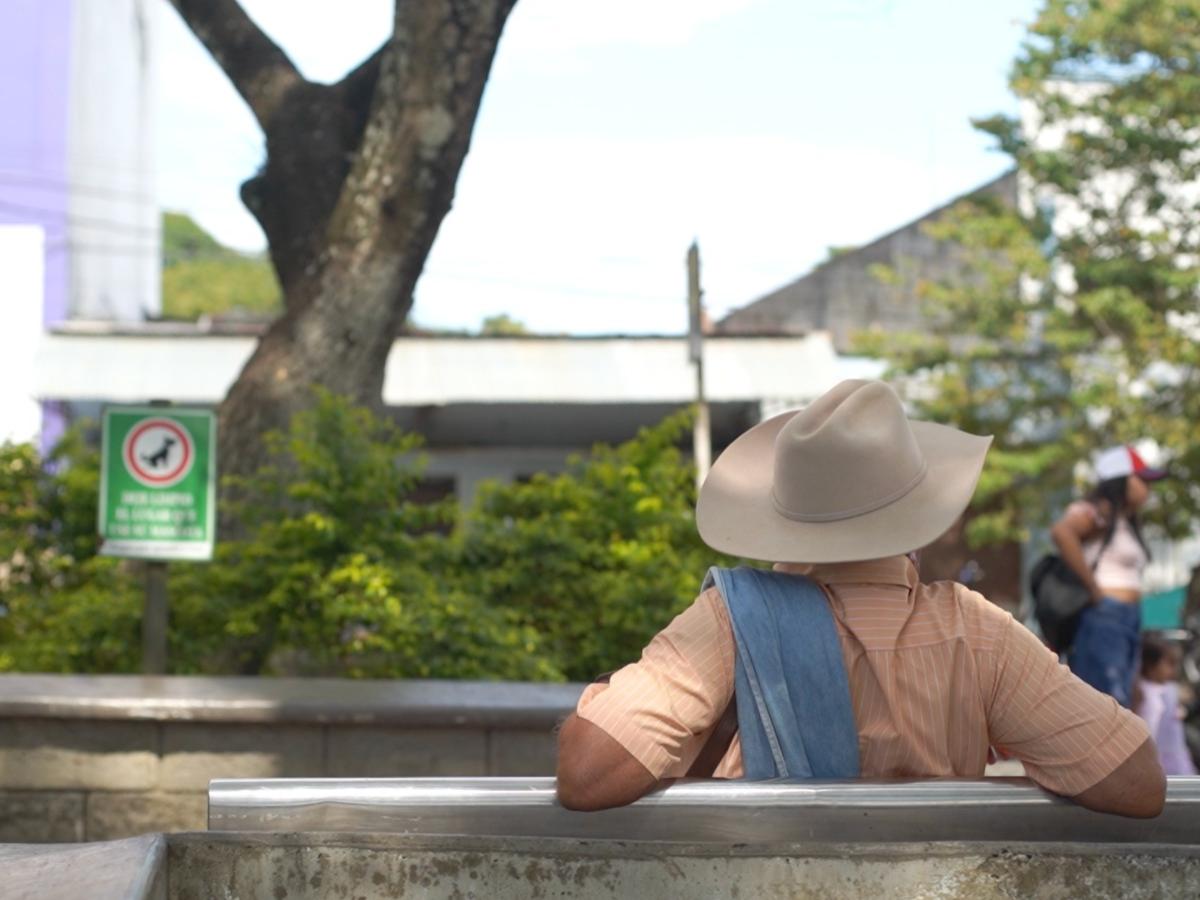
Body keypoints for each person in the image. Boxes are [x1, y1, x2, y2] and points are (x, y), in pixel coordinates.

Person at [557, 380, 1165, 818]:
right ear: (917, 518)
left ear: (783, 522)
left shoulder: (736, 619)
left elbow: (587, 774)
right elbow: (1138, 783)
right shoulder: (977, 633)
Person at [1050, 445, 1166, 706]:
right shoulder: (1097, 511)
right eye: (1143, 480)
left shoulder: (1125, 520)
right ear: (1122, 480)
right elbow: (1061, 532)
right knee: (1105, 704)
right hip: (1105, 615)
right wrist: (1094, 590)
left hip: (1127, 616)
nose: (1148, 488)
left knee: (1122, 701)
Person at [1135, 634, 1197, 776]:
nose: (1174, 670)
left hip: (1176, 761)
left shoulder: (1167, 689)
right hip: (1162, 763)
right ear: (1150, 665)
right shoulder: (1148, 695)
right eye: (1170, 663)